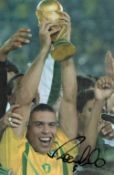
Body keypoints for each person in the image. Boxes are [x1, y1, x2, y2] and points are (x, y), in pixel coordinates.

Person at [0, 13, 78, 175]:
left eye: (52, 125)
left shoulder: (65, 153)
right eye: (38, 124)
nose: (46, 131)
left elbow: (69, 99)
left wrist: (65, 44)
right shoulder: (14, 153)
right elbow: (24, 101)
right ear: (26, 128)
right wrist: (44, 50)